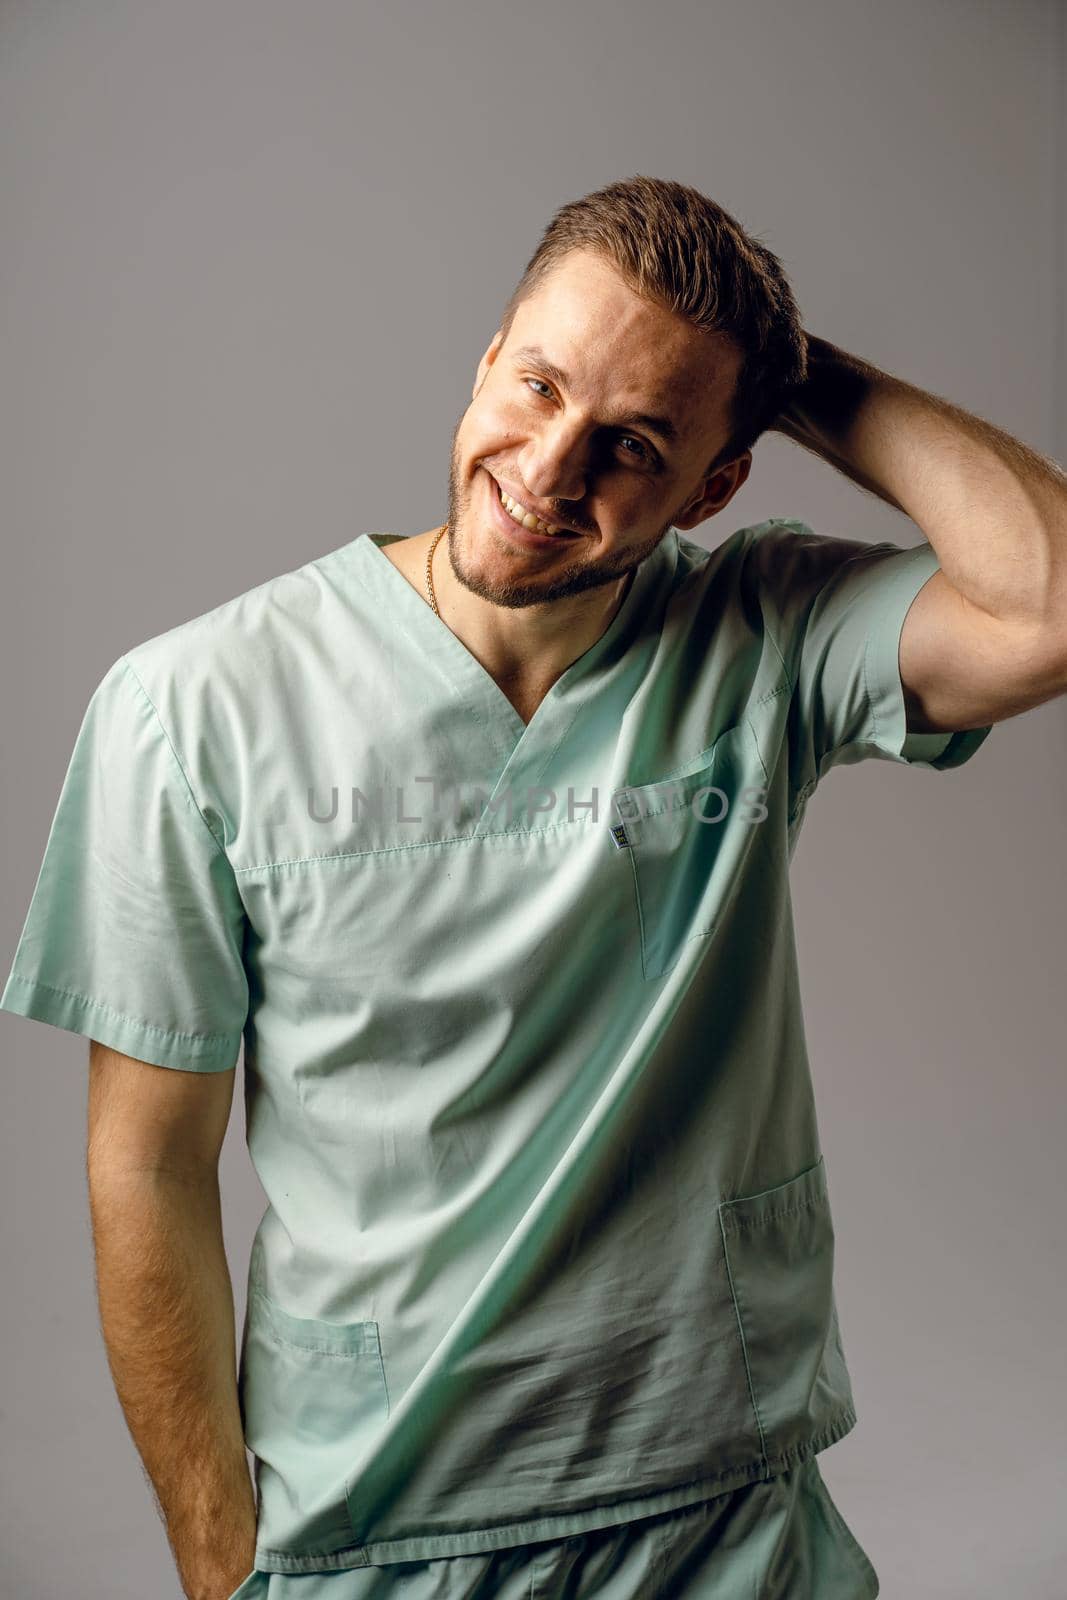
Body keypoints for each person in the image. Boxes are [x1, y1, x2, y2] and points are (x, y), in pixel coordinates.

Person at [3, 174, 1065, 1600]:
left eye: (634, 443)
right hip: (378, 1528)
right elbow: (145, 1165)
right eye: (541, 383)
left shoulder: (759, 637)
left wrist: (793, 376)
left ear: (718, 483)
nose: (551, 469)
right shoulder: (193, 706)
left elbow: (1048, 604)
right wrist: (215, 1557)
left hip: (727, 1516)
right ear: (489, 354)